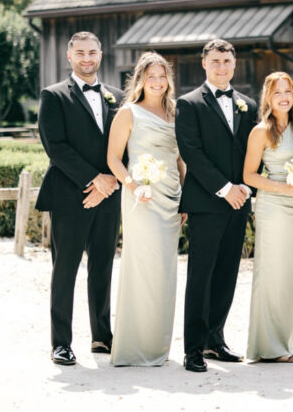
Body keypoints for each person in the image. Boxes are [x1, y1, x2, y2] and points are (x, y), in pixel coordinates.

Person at [36, 31, 122, 366]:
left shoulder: (117, 97)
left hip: (109, 194)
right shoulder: (53, 95)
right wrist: (93, 179)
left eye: (93, 52)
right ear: (69, 57)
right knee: (65, 269)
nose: (87, 59)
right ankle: (61, 343)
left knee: (102, 267)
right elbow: (55, 146)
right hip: (71, 196)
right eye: (80, 53)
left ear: (101, 55)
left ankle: (102, 336)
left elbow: (124, 144)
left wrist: (111, 181)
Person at [175, 39, 258, 373]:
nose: (222, 66)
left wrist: (246, 188)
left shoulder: (248, 105)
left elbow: (256, 152)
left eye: (227, 61)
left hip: (239, 202)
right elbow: (191, 151)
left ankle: (215, 340)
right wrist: (225, 189)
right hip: (207, 202)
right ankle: (193, 348)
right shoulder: (189, 103)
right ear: (204, 63)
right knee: (201, 275)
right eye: (216, 61)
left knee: (227, 273)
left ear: (234, 64)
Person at [106, 52, 185, 366]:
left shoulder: (175, 112)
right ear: (139, 79)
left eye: (162, 76)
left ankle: (157, 346)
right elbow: (114, 158)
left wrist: (185, 197)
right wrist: (133, 185)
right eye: (150, 76)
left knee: (165, 270)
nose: (157, 82)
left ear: (168, 80)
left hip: (170, 197)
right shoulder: (129, 113)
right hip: (140, 196)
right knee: (143, 267)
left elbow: (181, 159)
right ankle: (133, 346)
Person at [242, 72, 293, 363]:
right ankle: (267, 346)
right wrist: (285, 187)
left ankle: (285, 340)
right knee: (270, 274)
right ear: (268, 98)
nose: (284, 97)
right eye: (277, 92)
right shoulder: (261, 131)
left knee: (288, 276)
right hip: (272, 206)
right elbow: (249, 176)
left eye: (288, 92)